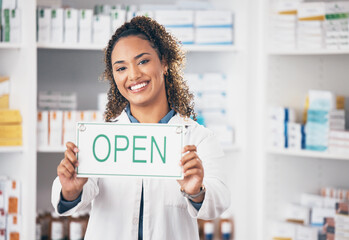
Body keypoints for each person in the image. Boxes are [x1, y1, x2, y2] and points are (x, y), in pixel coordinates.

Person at [51, 16, 230, 240]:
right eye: (121, 68)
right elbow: (71, 199)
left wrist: (196, 191)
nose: (133, 75)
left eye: (143, 61)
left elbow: (219, 200)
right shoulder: (101, 138)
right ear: (114, 77)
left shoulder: (198, 138)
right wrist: (71, 190)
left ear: (164, 62)